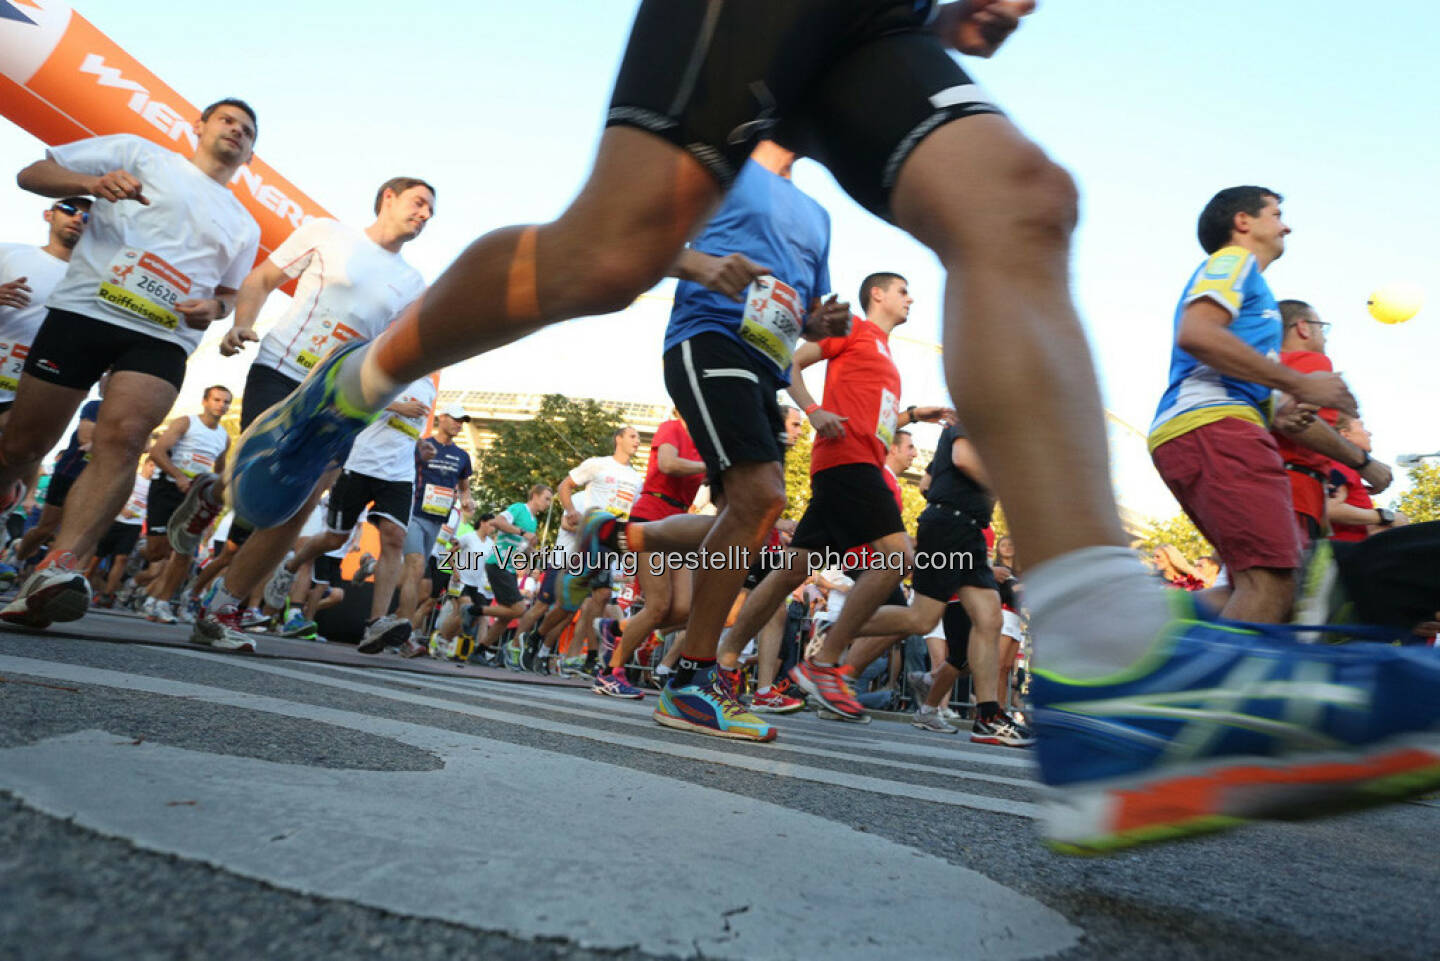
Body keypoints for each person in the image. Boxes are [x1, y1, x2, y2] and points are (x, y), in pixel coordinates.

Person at [227, 4, 1440, 852]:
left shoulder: (808, 223)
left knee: (1023, 200)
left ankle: (1113, 668)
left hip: (875, 29)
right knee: (614, 247)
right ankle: (351, 384)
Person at [0, 99, 261, 628]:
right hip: (85, 312)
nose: (236, 131)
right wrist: (91, 185)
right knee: (23, 444)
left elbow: (228, 296)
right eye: (227, 121)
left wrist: (215, 309)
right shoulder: (139, 154)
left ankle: (57, 569)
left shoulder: (245, 223)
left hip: (161, 336)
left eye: (248, 130)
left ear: (251, 153)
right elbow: (32, 174)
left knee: (124, 436)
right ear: (199, 127)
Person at [175, 178, 433, 649]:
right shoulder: (326, 233)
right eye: (419, 203)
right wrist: (243, 325)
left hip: (341, 395)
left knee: (300, 500)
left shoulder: (413, 282)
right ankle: (214, 490)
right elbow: (261, 280)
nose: (426, 215)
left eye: (431, 210)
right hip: (284, 367)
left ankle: (221, 608)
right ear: (388, 198)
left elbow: (395, 346)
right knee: (258, 481)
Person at [1147, 186, 1387, 624]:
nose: (1287, 225)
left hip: (1209, 428)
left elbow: (1279, 413)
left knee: (1260, 585)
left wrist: (1303, 406)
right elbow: (1197, 334)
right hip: (1214, 426)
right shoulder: (1232, 261)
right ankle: (1209, 687)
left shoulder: (1256, 309)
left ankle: (1135, 622)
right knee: (1272, 582)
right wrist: (1301, 381)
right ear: (1244, 222)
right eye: (1276, 214)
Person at [137, 384, 232, 623]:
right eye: (217, 400)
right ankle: (138, 568)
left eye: (226, 402)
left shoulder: (224, 437)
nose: (221, 405)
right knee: (157, 552)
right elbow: (157, 453)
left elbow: (220, 473)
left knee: (183, 552)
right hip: (167, 488)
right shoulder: (186, 423)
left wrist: (215, 507)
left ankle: (160, 602)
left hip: (195, 496)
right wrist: (179, 476)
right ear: (205, 401)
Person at [0, 197, 92, 422]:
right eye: (69, 210)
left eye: (87, 217)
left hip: (26, 396)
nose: (77, 218)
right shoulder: (9, 253)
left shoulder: (92, 282)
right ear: (48, 215)